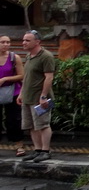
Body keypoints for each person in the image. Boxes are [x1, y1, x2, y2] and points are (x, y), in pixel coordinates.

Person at [20, 30, 55, 163]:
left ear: (37, 42)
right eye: (24, 40)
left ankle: (46, 150)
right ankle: (37, 149)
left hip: (40, 98)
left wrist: (43, 96)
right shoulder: (29, 56)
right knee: (31, 125)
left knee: (43, 124)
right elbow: (27, 77)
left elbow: (49, 77)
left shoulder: (46, 56)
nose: (24, 43)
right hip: (28, 97)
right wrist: (22, 93)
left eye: (27, 40)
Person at [0, 36, 25, 155]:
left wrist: (5, 79)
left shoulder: (14, 58)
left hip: (12, 91)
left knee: (14, 119)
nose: (5, 44)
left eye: (8, 42)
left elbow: (21, 75)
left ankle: (19, 145)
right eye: (3, 42)